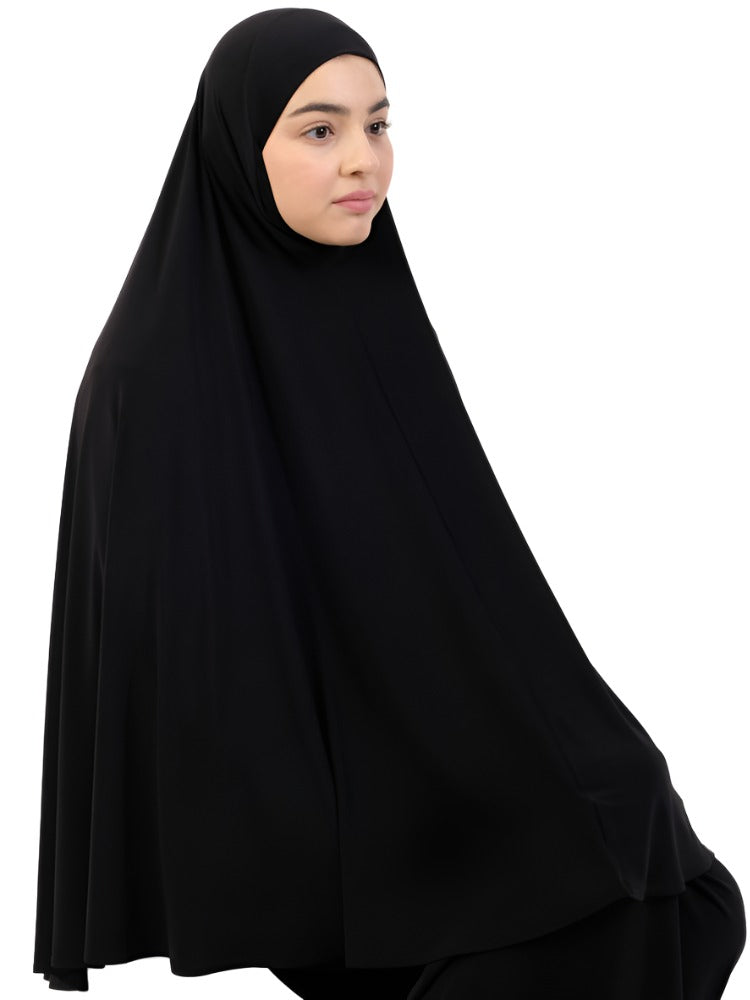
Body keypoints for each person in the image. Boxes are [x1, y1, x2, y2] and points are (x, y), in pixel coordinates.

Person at [32, 8, 745, 998]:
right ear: (239, 148)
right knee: (591, 928)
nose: (363, 159)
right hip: (325, 824)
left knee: (683, 890)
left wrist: (554, 754)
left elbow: (457, 577)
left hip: (429, 777)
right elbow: (201, 684)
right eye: (320, 129)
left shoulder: (360, 305)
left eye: (378, 124)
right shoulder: (151, 376)